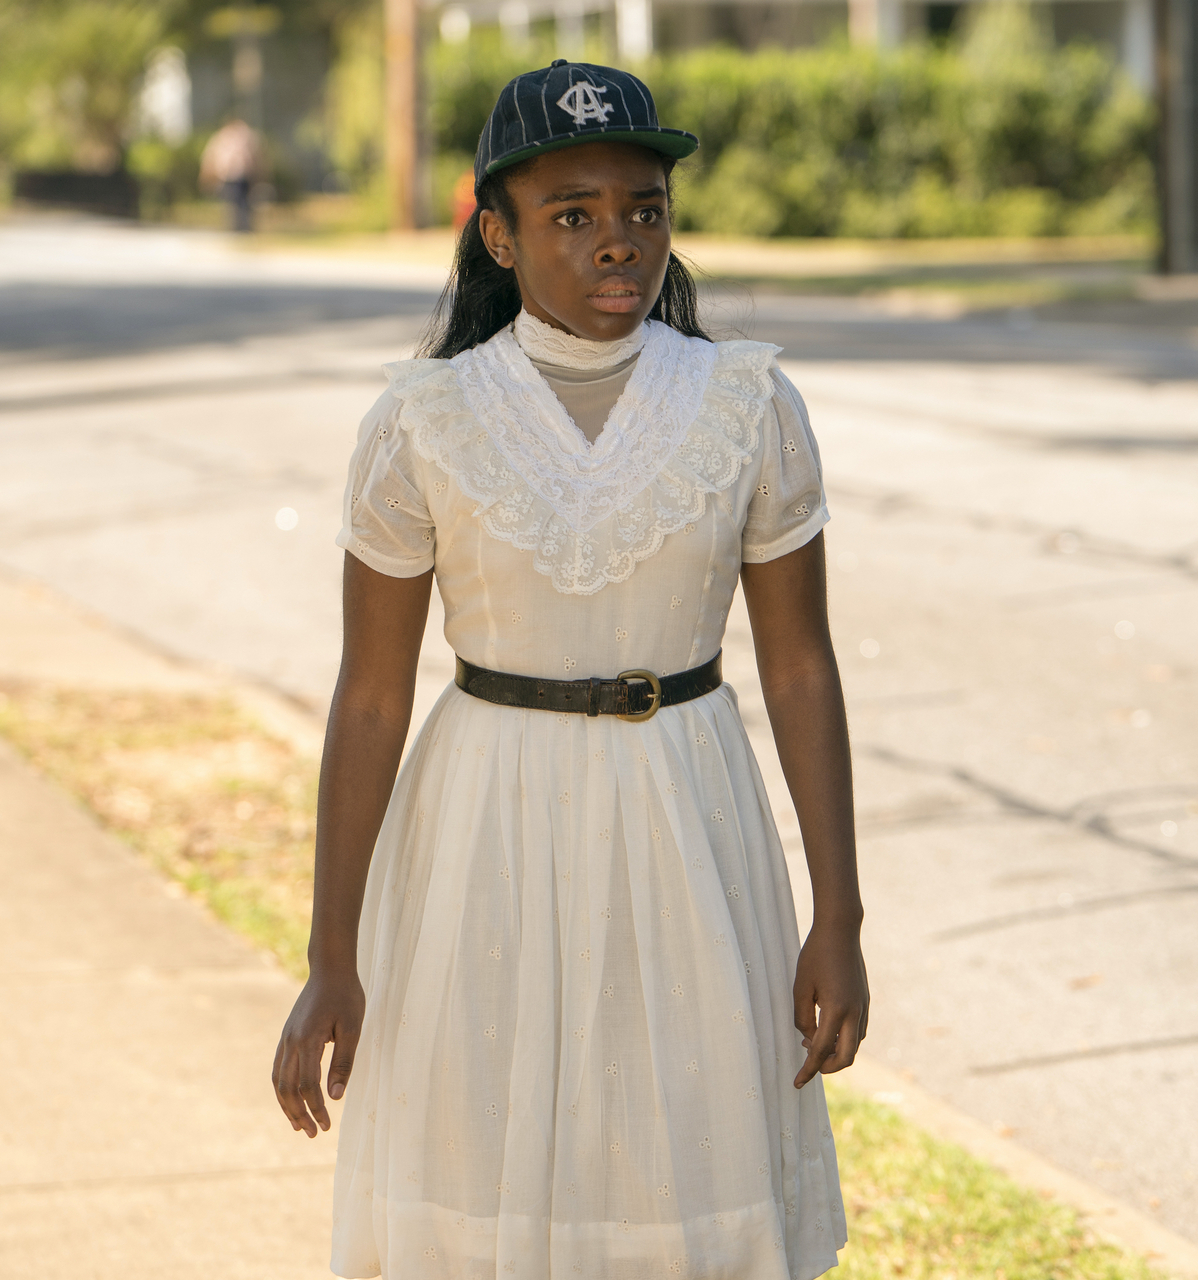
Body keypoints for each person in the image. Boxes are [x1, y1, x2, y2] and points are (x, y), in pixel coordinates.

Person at [273, 59, 868, 1280]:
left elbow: (801, 668)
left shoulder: (747, 404)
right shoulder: (423, 421)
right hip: (486, 821)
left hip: (689, 818)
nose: (620, 242)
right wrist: (333, 954)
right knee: (492, 1145)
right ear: (496, 231)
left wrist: (840, 915)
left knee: (685, 1151)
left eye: (645, 209)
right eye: (574, 213)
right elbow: (373, 695)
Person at [199, 116, 261, 232]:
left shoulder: (245, 137)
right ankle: (238, 228)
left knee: (241, 202)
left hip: (241, 175)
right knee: (235, 203)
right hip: (229, 176)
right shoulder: (225, 137)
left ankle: (243, 228)